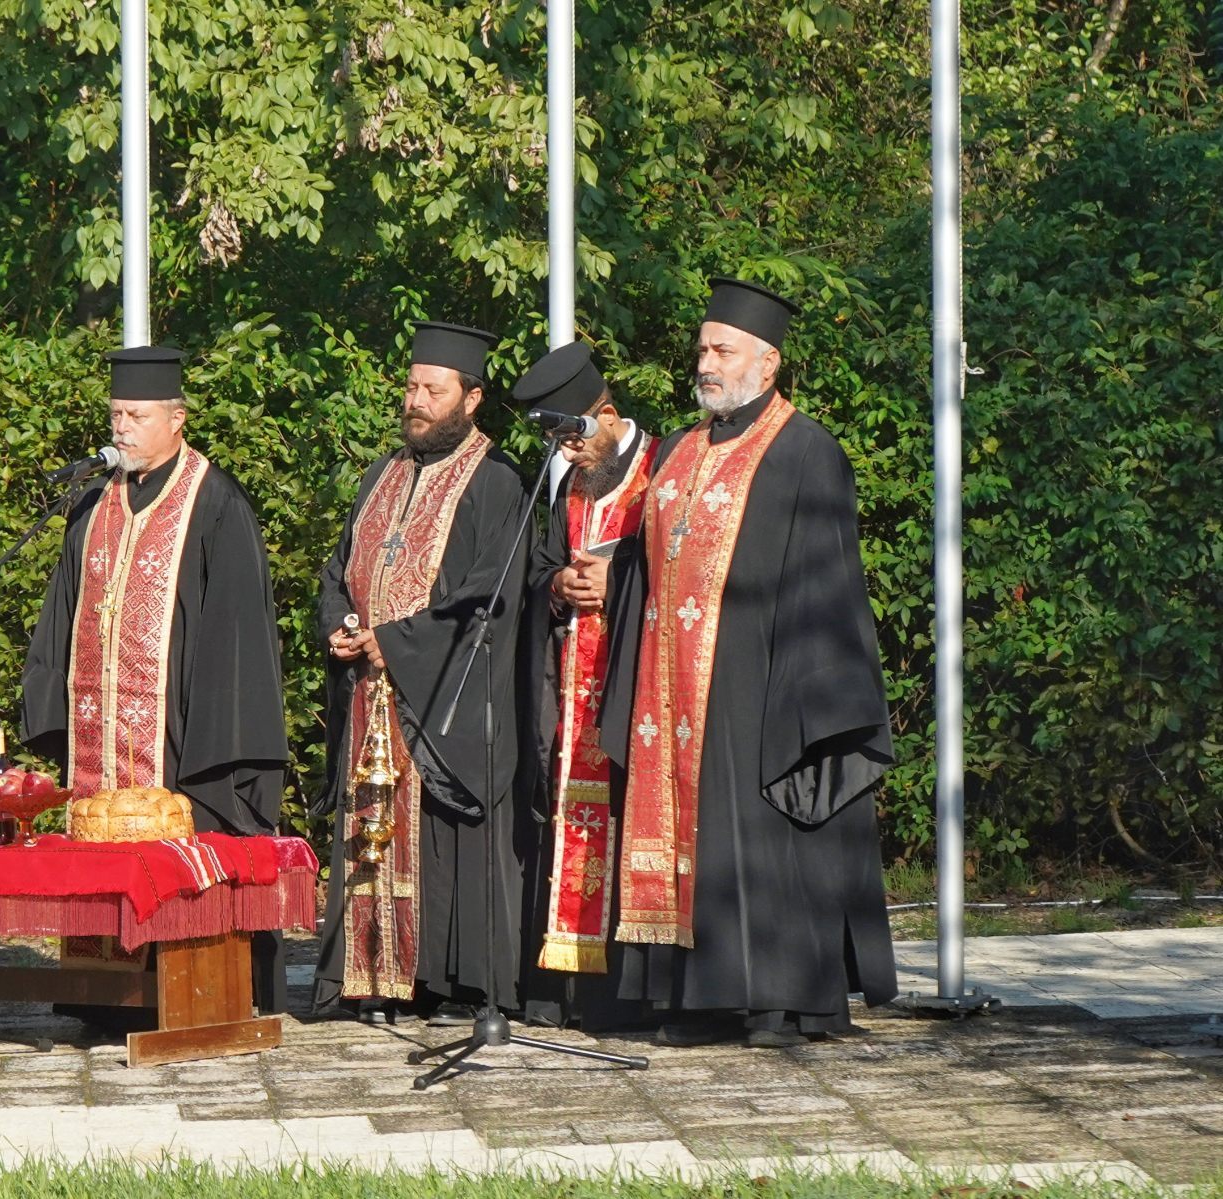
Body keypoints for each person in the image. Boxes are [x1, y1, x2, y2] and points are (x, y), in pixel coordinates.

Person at [596, 277, 899, 1048]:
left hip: (762, 687)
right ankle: (690, 999)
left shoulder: (806, 451)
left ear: (767, 363)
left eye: (722, 350)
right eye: (702, 348)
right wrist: (610, 574)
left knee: (760, 838)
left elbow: (829, 586)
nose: (706, 362)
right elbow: (649, 561)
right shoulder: (677, 449)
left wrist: (804, 699)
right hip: (669, 691)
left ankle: (776, 1000)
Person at [18, 345, 291, 1012]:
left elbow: (238, 639)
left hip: (182, 738)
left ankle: (190, 997)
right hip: (100, 736)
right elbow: (63, 611)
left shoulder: (215, 503)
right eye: (115, 415)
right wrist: (51, 704)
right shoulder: (93, 504)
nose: (121, 429)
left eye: (136, 416)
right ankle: (103, 996)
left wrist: (212, 744)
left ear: (176, 418)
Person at [311, 321, 533, 1025]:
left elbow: (489, 596)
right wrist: (338, 624)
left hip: (440, 703)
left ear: (472, 398)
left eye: (433, 391)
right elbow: (338, 569)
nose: (416, 402)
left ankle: (443, 982)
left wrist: (399, 643)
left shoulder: (497, 483)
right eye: (411, 388)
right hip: (368, 695)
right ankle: (371, 975)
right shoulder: (381, 474)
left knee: (437, 843)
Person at [511, 343, 658, 1031]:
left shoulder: (660, 469)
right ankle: (563, 989)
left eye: (573, 436)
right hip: (568, 684)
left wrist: (617, 579)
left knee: (626, 821)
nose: (567, 451)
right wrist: (558, 584)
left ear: (607, 414)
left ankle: (623, 995)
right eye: (557, 441)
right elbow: (540, 565)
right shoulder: (568, 486)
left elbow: (670, 565)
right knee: (565, 818)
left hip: (631, 683)